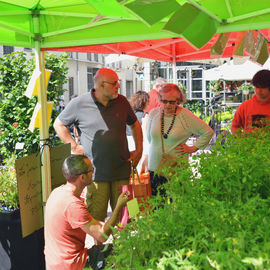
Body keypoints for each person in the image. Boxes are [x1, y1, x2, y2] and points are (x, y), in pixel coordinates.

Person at [53, 68, 143, 230]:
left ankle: (122, 251)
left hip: (121, 173)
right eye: (115, 83)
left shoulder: (122, 102)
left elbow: (135, 124)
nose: (118, 87)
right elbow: (58, 124)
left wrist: (139, 149)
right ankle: (99, 252)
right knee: (97, 221)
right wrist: (74, 146)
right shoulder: (79, 103)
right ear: (101, 85)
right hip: (95, 176)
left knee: (125, 219)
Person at [44, 155, 129, 270]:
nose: (93, 172)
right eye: (91, 170)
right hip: (71, 264)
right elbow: (102, 236)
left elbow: (90, 224)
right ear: (83, 177)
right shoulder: (73, 205)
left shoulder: (57, 192)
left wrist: (110, 225)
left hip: (56, 262)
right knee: (123, 255)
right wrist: (118, 206)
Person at [142, 83, 214, 195]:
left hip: (176, 168)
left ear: (179, 100)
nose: (168, 105)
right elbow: (150, 139)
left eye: (172, 102)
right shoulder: (153, 114)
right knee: (157, 207)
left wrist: (193, 148)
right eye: (164, 101)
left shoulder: (185, 116)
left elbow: (208, 132)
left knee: (177, 206)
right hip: (154, 166)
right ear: (160, 99)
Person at [231, 69, 270, 134]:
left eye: (262, 87)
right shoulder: (245, 106)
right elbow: (234, 127)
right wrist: (241, 139)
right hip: (248, 143)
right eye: (256, 87)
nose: (258, 90)